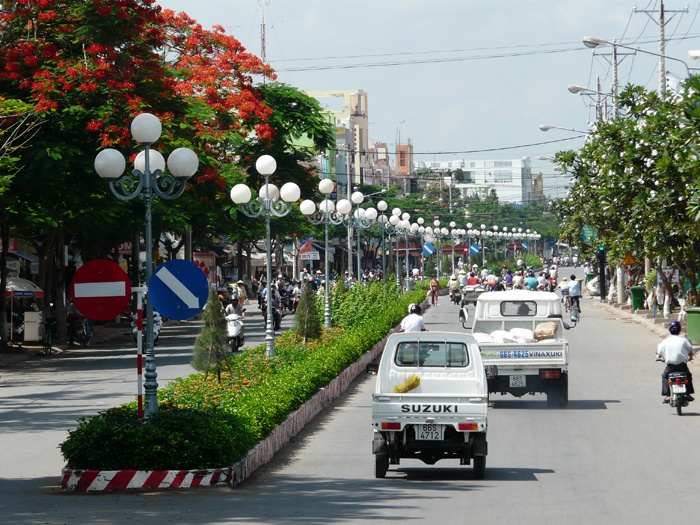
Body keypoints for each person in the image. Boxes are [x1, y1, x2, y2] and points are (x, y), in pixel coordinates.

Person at [657, 320, 695, 403]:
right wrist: (690, 357)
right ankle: (688, 394)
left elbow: (659, 353)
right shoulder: (684, 340)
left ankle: (667, 395)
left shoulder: (665, 341)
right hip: (682, 365)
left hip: (670, 367)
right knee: (688, 376)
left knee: (664, 376)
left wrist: (659, 356)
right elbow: (690, 351)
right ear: (680, 329)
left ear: (670, 330)